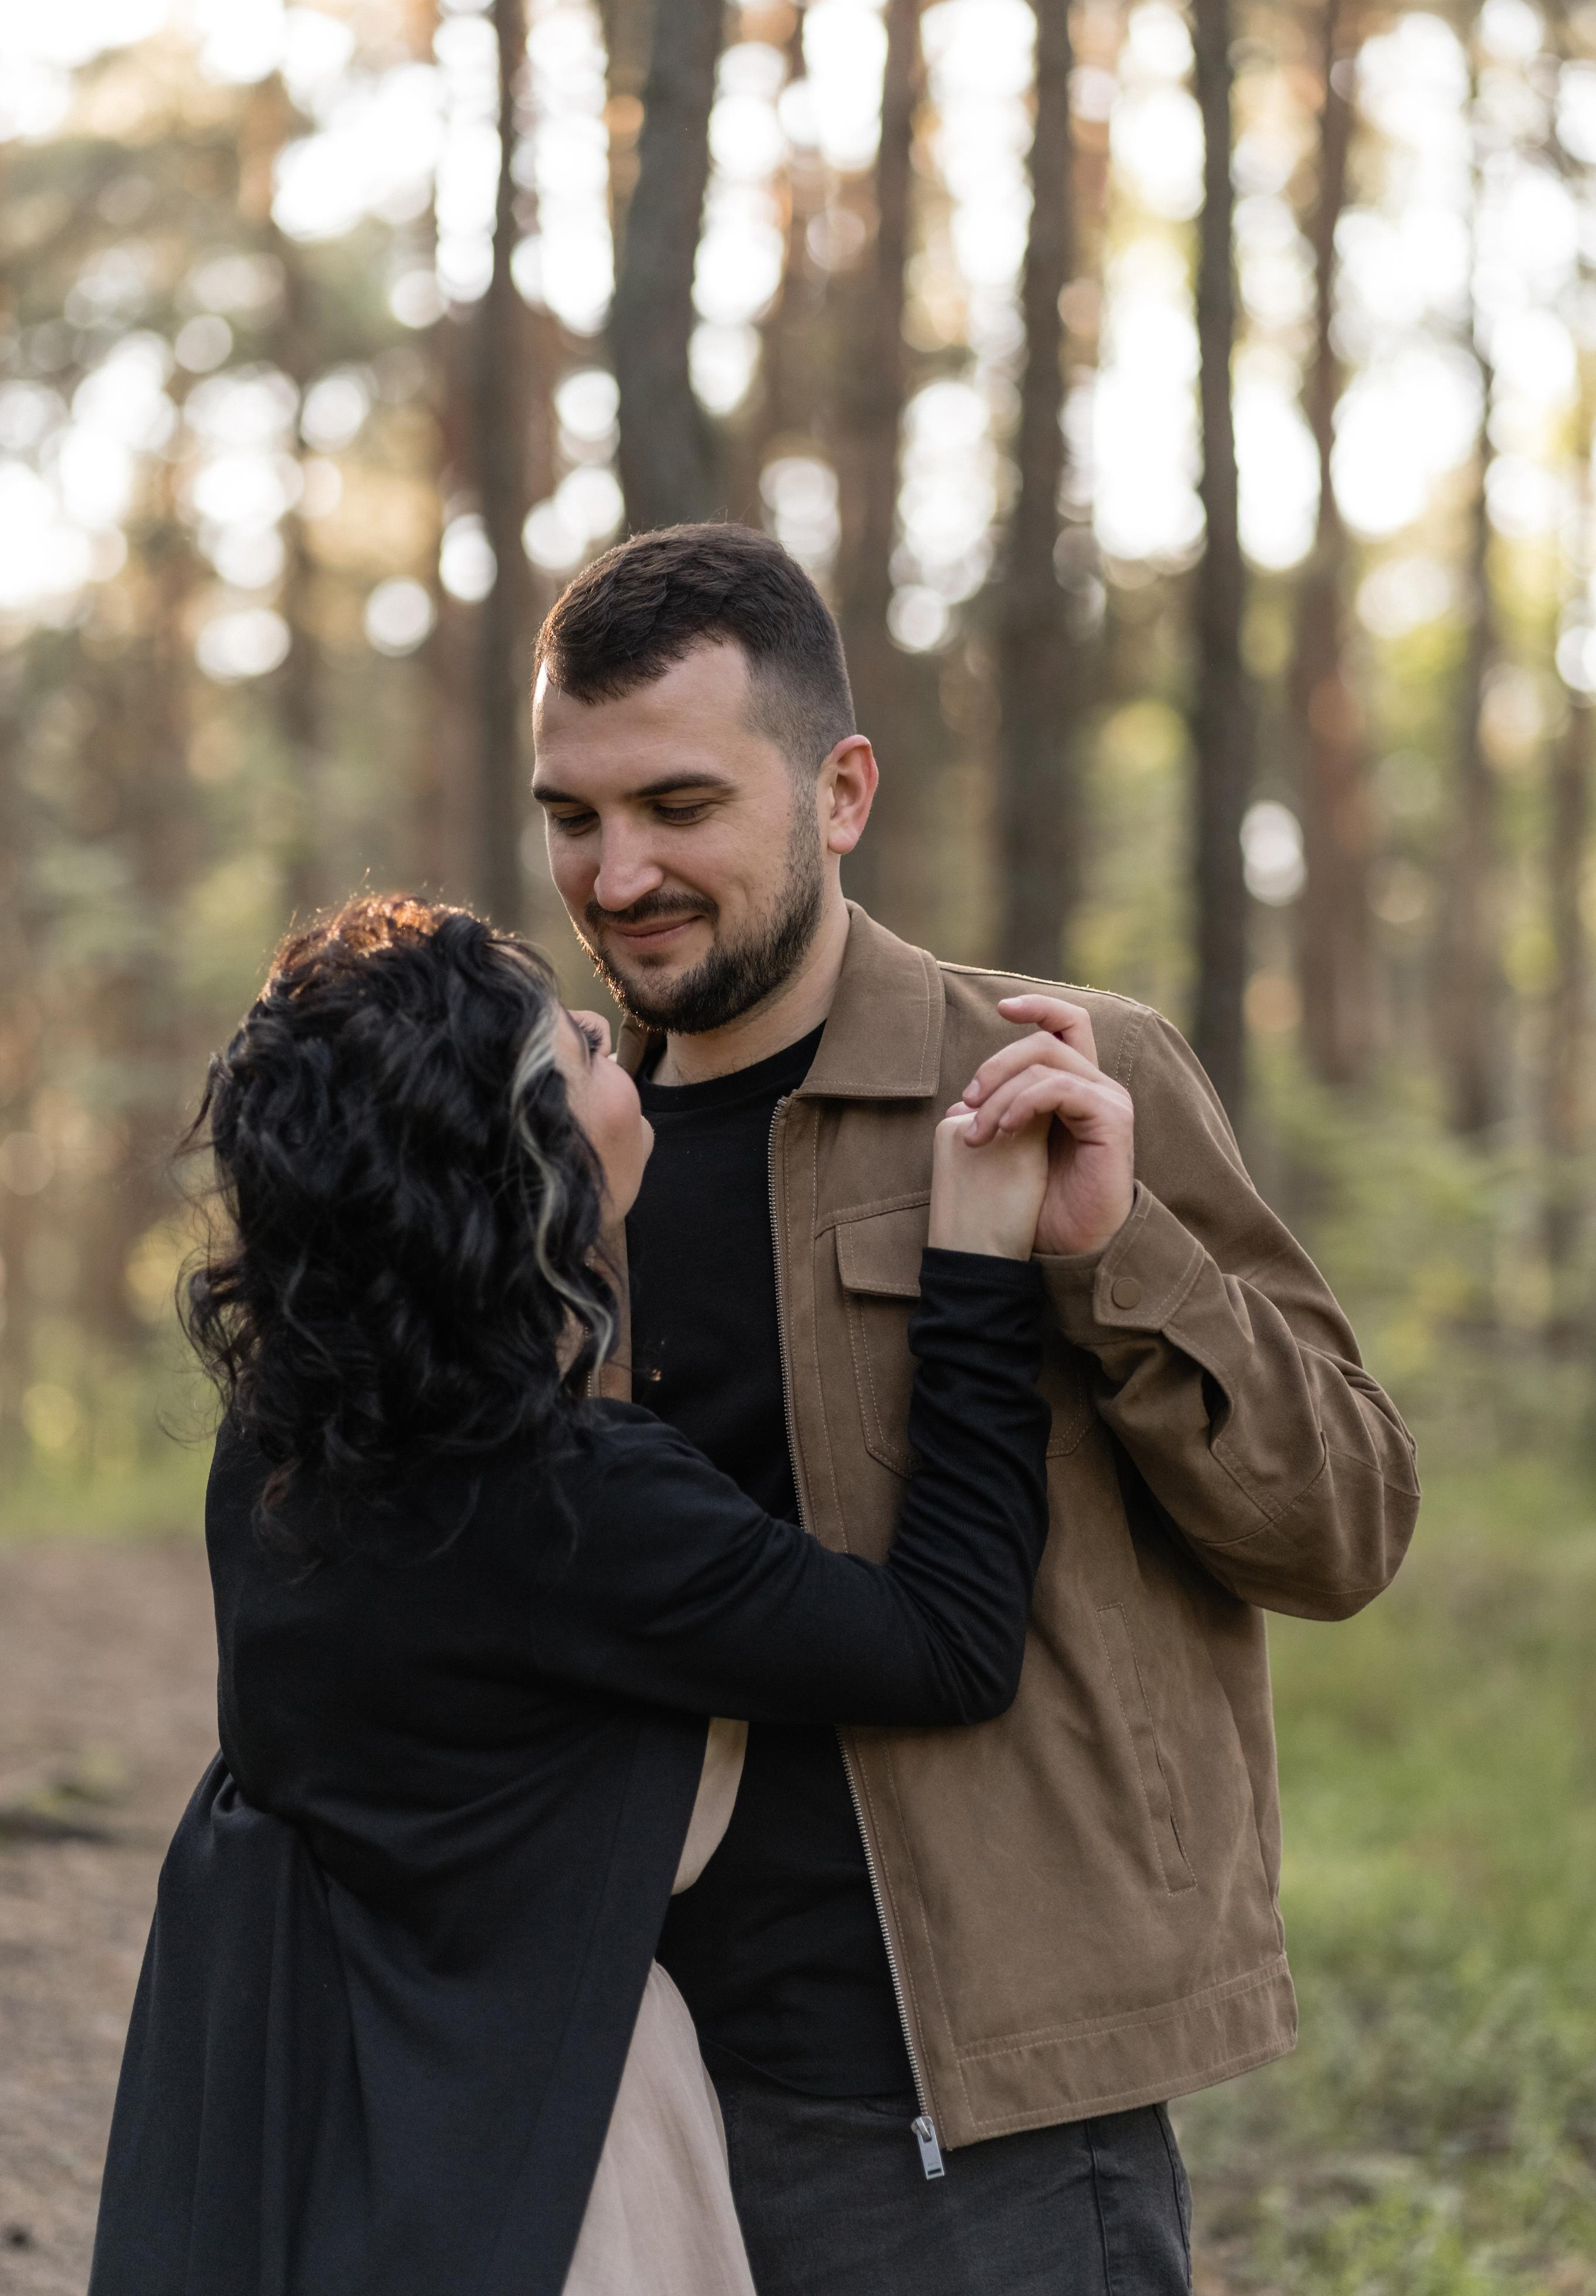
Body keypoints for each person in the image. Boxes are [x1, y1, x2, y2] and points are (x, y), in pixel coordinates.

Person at [530, 521, 1422, 2296]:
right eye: (574, 816)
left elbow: (1344, 1528)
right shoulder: (549, 1147)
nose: (618, 874)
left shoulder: (1071, 1073)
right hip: (617, 2091)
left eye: (681, 809)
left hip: (973, 2129)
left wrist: (1117, 1251)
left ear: (841, 789)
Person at [88, 894, 1064, 2296]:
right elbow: (949, 1646)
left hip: (326, 2124)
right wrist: (977, 1267)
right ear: (519, 1173)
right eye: (580, 1057)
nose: (614, 1033)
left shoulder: (279, 1443)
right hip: (544, 2168)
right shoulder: (571, 1511)